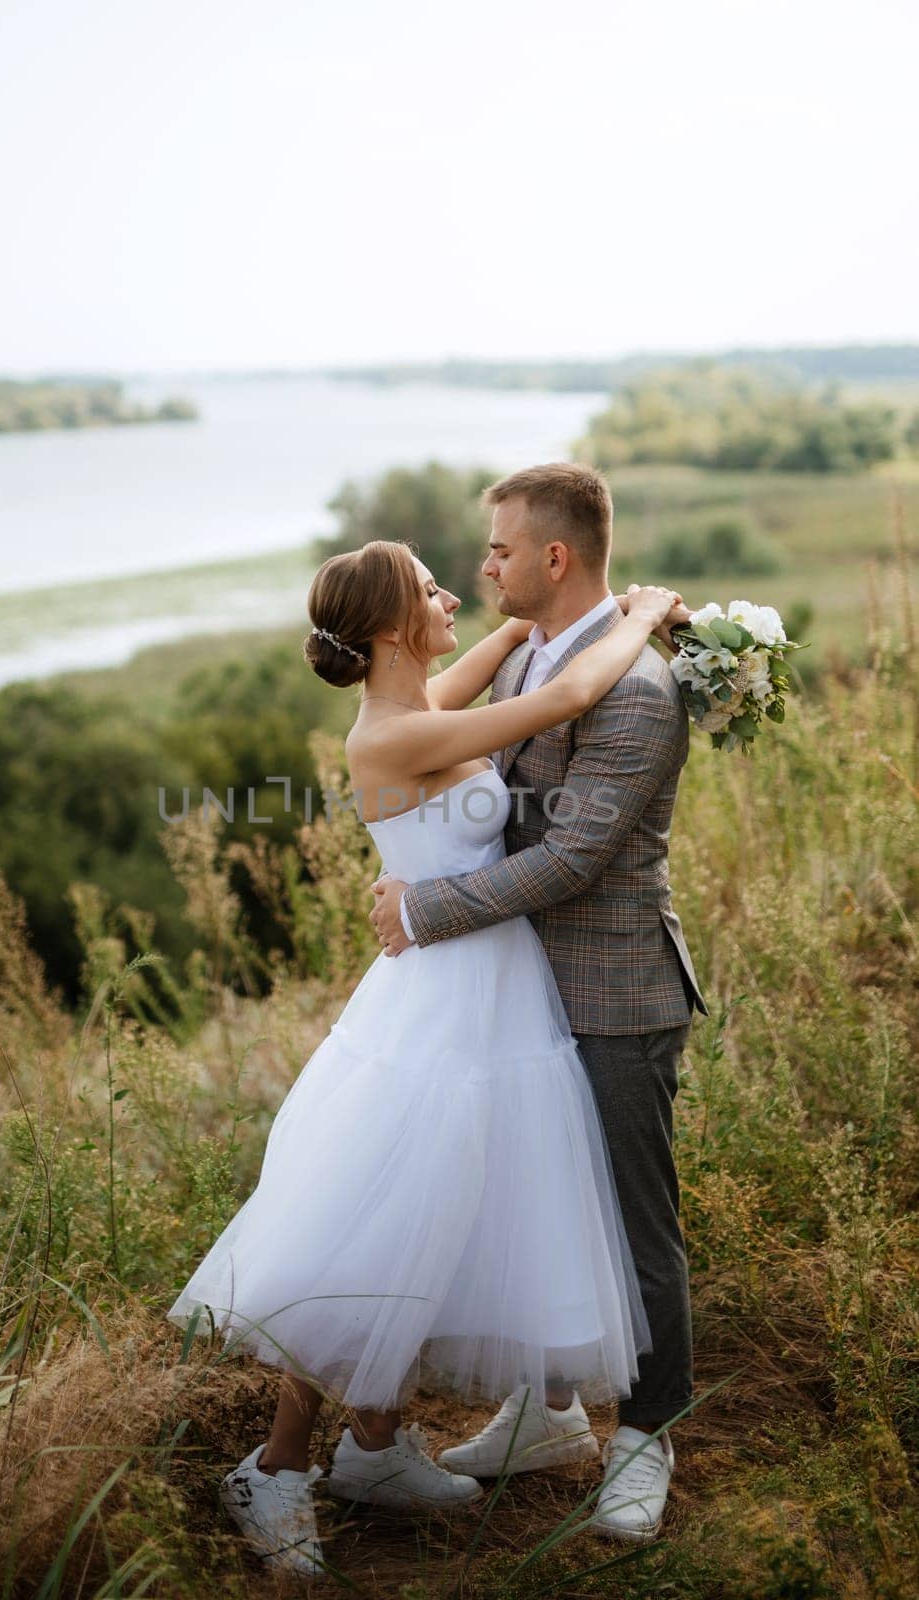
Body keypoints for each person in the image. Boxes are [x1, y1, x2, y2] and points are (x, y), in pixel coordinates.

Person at [166, 533, 684, 1578]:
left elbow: (512, 658)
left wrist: (531, 614)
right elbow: (566, 694)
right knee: (383, 1223)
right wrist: (641, 611)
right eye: (430, 587)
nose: (455, 590)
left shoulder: (421, 704)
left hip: (497, 995)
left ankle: (373, 1447)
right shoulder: (386, 738)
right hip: (439, 1004)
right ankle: (274, 1468)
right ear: (395, 625)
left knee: (455, 1215)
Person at [370, 462, 709, 1545]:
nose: (485, 569)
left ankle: (647, 1439)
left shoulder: (638, 691)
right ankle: (550, 1410)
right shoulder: (541, 652)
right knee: (541, 1205)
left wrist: (425, 909)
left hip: (613, 990)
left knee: (632, 1222)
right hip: (522, 996)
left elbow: (568, 860)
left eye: (502, 550)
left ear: (554, 557)